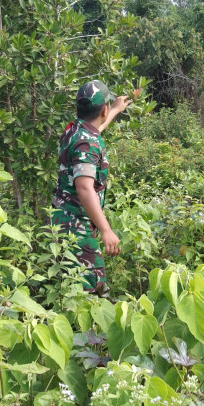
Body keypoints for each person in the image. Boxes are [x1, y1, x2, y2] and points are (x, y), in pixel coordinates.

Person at [51, 80, 131, 295]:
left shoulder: (74, 130)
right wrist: (106, 230)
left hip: (64, 221)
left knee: (73, 288)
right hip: (76, 227)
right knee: (92, 293)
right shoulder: (87, 143)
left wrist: (115, 109)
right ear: (102, 109)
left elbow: (96, 129)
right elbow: (84, 188)